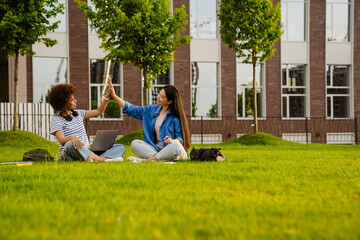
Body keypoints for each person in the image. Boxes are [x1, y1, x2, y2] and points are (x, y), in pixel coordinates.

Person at [109, 80, 190, 162]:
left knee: (176, 145)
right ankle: (161, 159)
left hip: (173, 150)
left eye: (162, 97)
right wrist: (114, 96)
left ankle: (146, 161)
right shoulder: (150, 110)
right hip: (156, 150)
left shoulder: (175, 118)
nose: (158, 97)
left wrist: (172, 141)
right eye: (159, 94)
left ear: (169, 101)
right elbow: (132, 109)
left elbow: (180, 139)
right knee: (135, 144)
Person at [49, 83, 125, 162]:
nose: (75, 101)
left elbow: (99, 111)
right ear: (64, 103)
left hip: (86, 151)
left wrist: (107, 96)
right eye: (72, 100)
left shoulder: (78, 113)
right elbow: (61, 140)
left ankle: (93, 158)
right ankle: (101, 159)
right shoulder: (57, 120)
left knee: (119, 146)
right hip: (69, 154)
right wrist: (72, 138)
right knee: (70, 144)